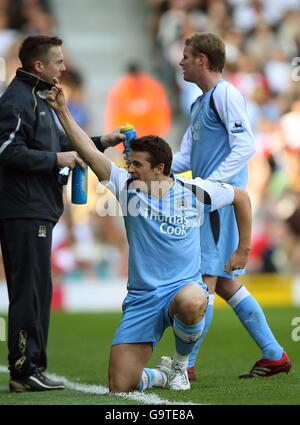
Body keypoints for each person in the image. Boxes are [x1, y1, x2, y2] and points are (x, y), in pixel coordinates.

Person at [47, 80, 252, 392]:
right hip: (143, 298)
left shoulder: (195, 191)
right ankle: (162, 375)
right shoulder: (127, 188)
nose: (130, 168)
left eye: (137, 165)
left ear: (160, 169)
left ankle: (181, 366)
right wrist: (62, 110)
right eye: (130, 163)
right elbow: (87, 151)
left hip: (182, 290)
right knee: (120, 385)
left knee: (195, 298)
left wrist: (243, 250)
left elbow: (241, 197)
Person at [0, 35, 124, 393]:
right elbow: (6, 150)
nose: (63, 66)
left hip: (37, 207)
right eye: (57, 61)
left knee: (39, 287)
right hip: (22, 209)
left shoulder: (39, 99)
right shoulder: (17, 100)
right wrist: (55, 160)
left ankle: (33, 367)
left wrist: (103, 141)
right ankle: (23, 370)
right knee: (29, 291)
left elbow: (64, 145)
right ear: (38, 65)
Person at [172, 32, 291, 379]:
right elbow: (184, 159)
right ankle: (274, 354)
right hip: (211, 203)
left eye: (186, 56)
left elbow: (245, 145)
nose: (180, 62)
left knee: (205, 282)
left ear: (202, 60)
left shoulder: (225, 95)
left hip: (220, 204)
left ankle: (186, 365)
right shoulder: (198, 104)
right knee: (223, 283)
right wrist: (147, 166)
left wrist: (213, 185)